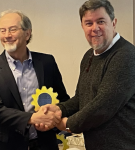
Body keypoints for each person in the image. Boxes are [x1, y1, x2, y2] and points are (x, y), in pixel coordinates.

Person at [39, 0, 135, 149]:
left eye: (101, 21)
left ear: (114, 22)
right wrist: (58, 109)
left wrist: (67, 124)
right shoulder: (89, 56)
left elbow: (102, 106)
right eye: (89, 23)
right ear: (82, 26)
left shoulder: (126, 55)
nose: (95, 28)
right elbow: (80, 99)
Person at [0, 9, 69, 150]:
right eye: (2, 30)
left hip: (45, 144)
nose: (7, 35)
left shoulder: (47, 62)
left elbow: (63, 100)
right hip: (7, 146)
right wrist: (32, 118)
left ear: (27, 33)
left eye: (12, 29)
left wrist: (53, 120)